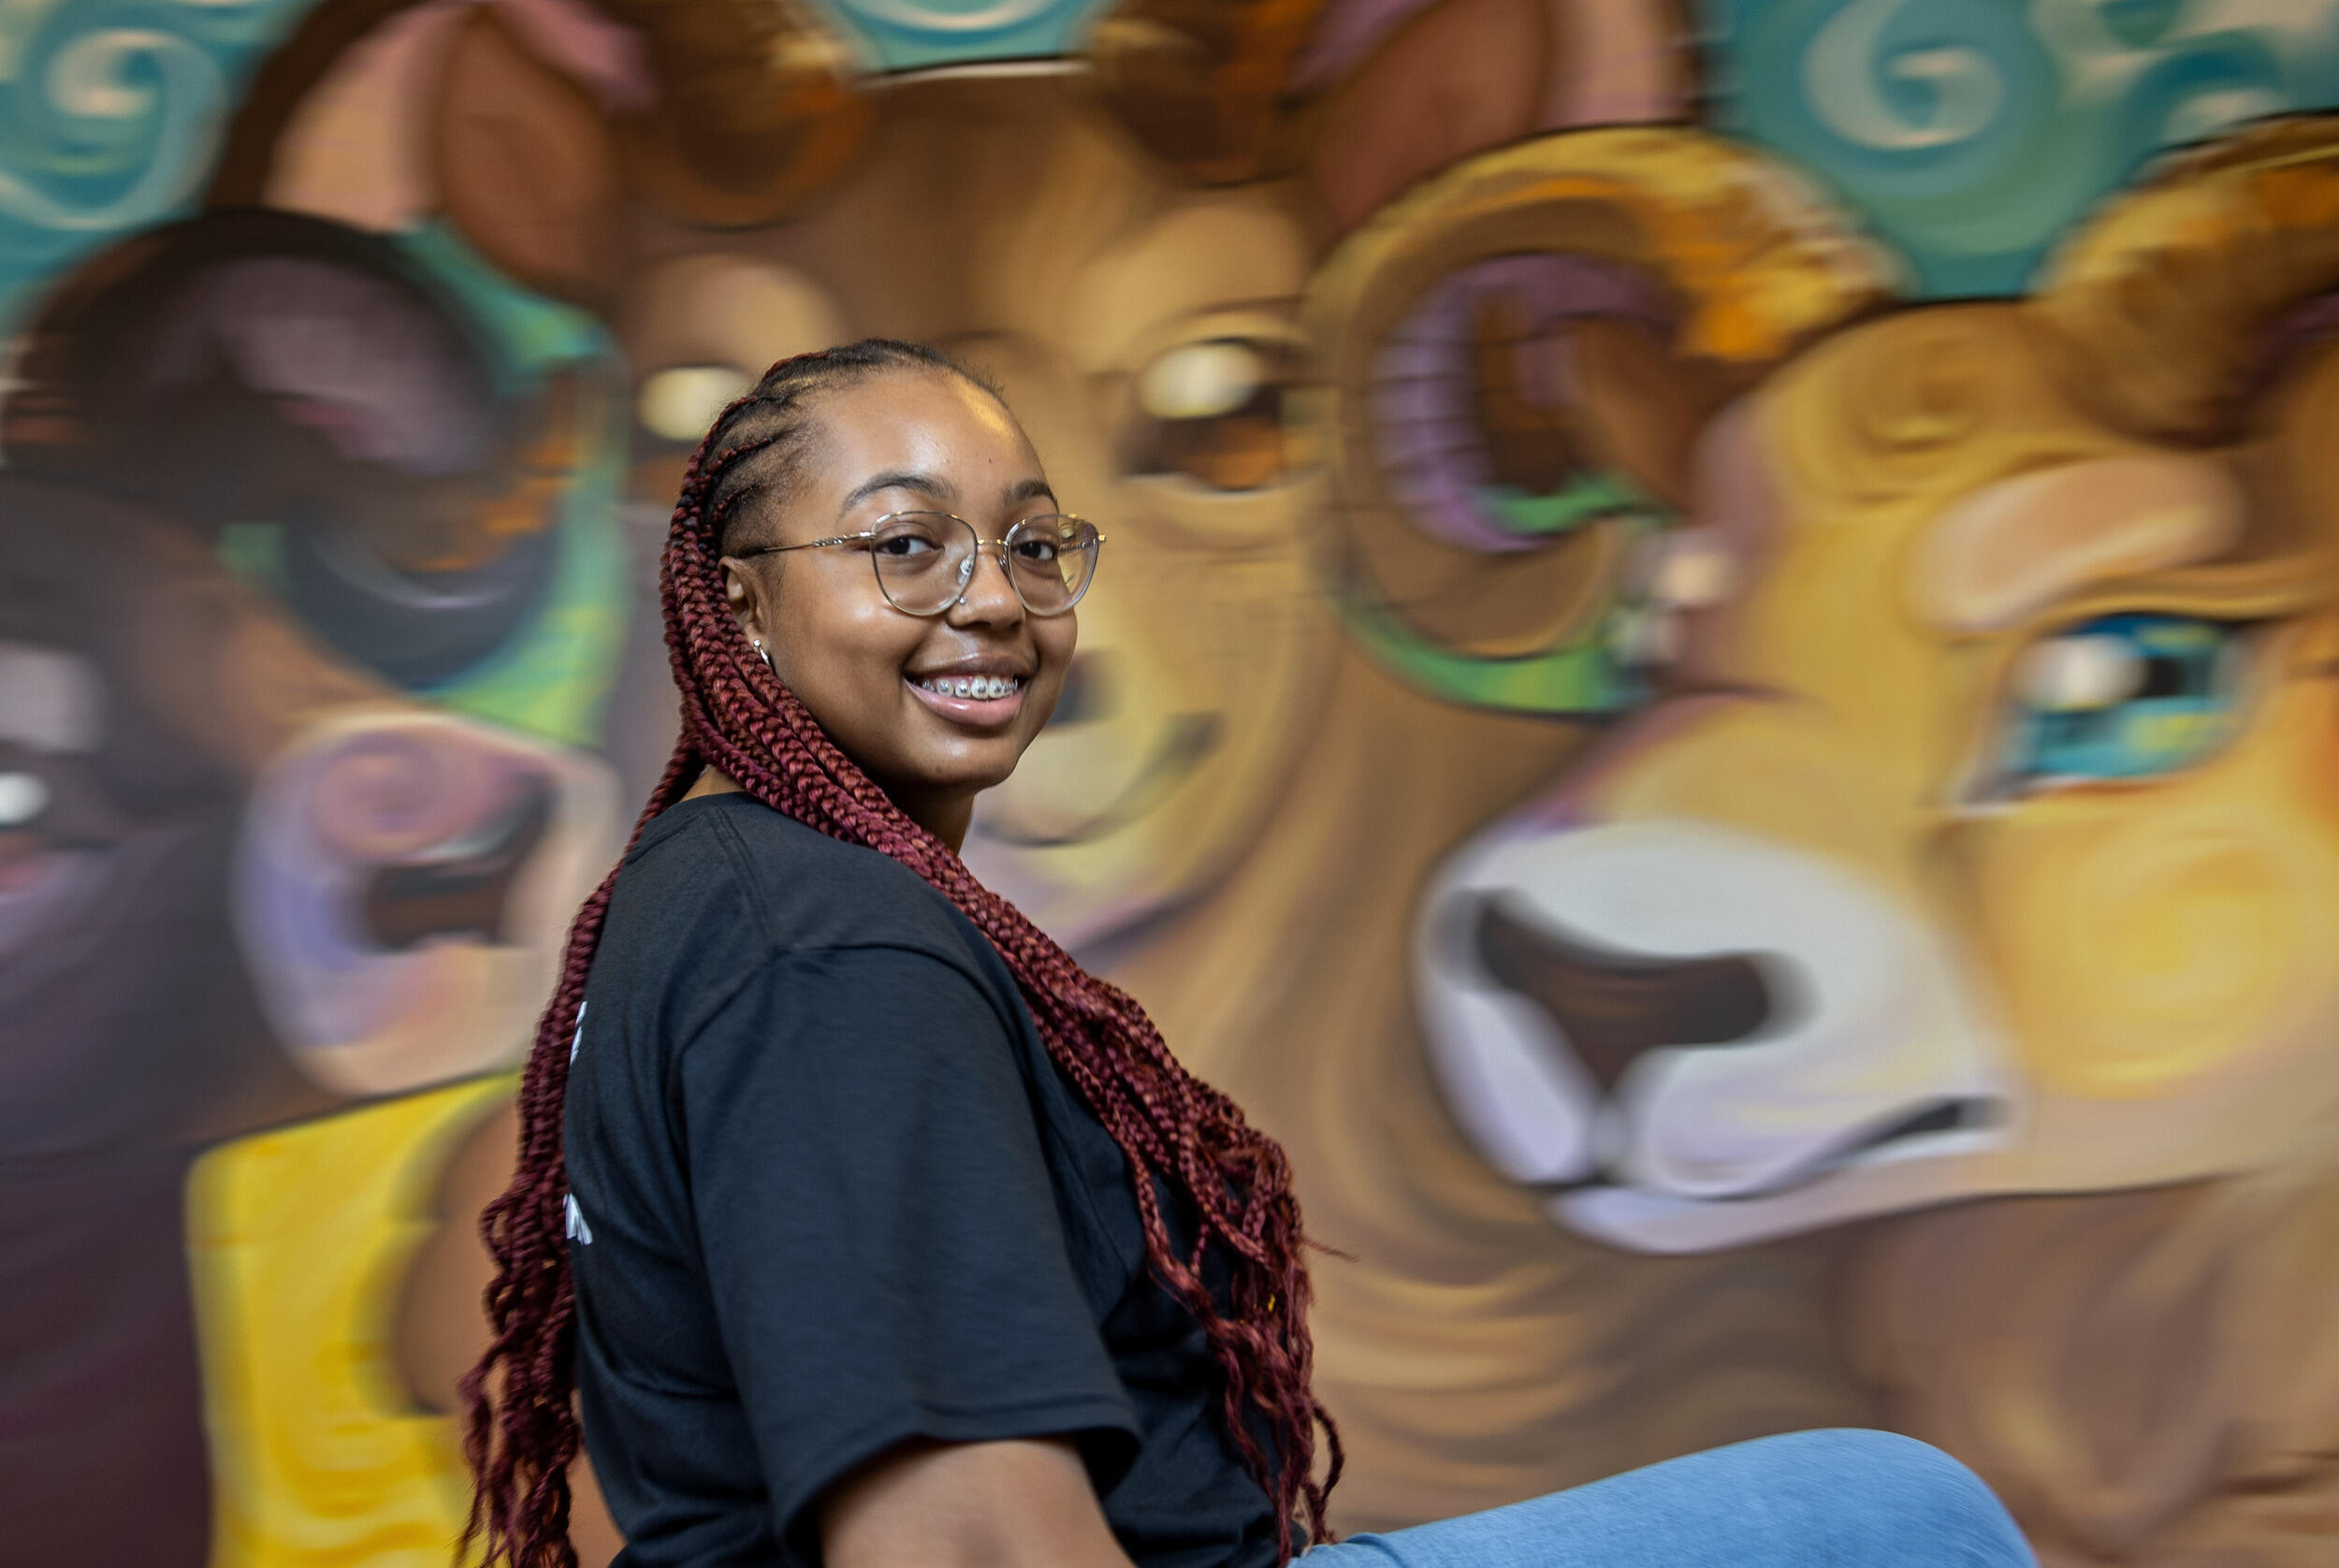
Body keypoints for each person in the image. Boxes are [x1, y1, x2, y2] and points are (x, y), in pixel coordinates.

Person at [462, 340, 2038, 1568]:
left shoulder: (719, 894)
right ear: (737, 608)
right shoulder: (828, 951)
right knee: (1895, 1517)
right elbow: (962, 1542)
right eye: (905, 545)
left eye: (1030, 547)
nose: (994, 602)